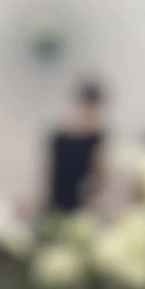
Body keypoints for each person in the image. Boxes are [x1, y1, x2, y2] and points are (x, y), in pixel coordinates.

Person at [44, 78, 107, 217]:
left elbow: (98, 180)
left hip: (86, 211)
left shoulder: (100, 140)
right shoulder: (60, 138)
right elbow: (52, 178)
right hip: (58, 206)